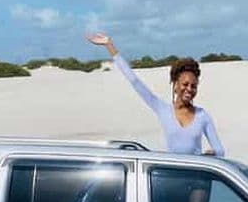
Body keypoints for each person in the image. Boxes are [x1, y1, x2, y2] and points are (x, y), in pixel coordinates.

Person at [86, 32, 225, 157]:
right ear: (175, 84)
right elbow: (134, 81)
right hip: (172, 176)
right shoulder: (163, 109)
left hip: (198, 180)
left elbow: (220, 151)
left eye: (193, 86)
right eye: (185, 84)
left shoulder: (202, 116)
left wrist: (212, 154)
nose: (189, 89)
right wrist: (110, 45)